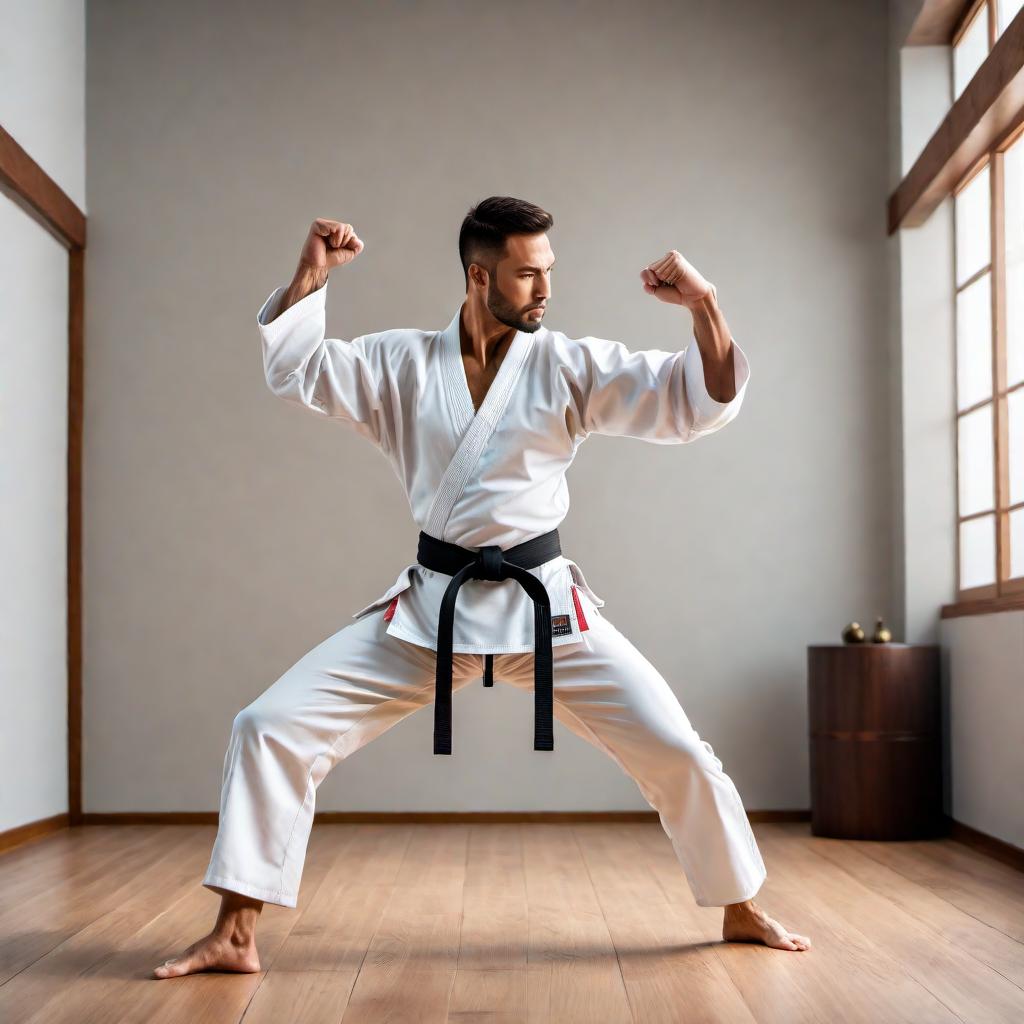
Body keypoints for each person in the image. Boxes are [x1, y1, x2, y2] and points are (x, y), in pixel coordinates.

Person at [154, 197, 810, 979]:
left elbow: (692, 400)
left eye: (548, 272)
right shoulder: (401, 364)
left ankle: (738, 905)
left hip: (546, 613)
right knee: (268, 725)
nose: (544, 290)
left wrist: (703, 306)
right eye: (527, 273)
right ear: (479, 274)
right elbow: (297, 370)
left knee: (677, 750)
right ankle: (235, 929)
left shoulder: (568, 364)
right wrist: (311, 275)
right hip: (433, 610)